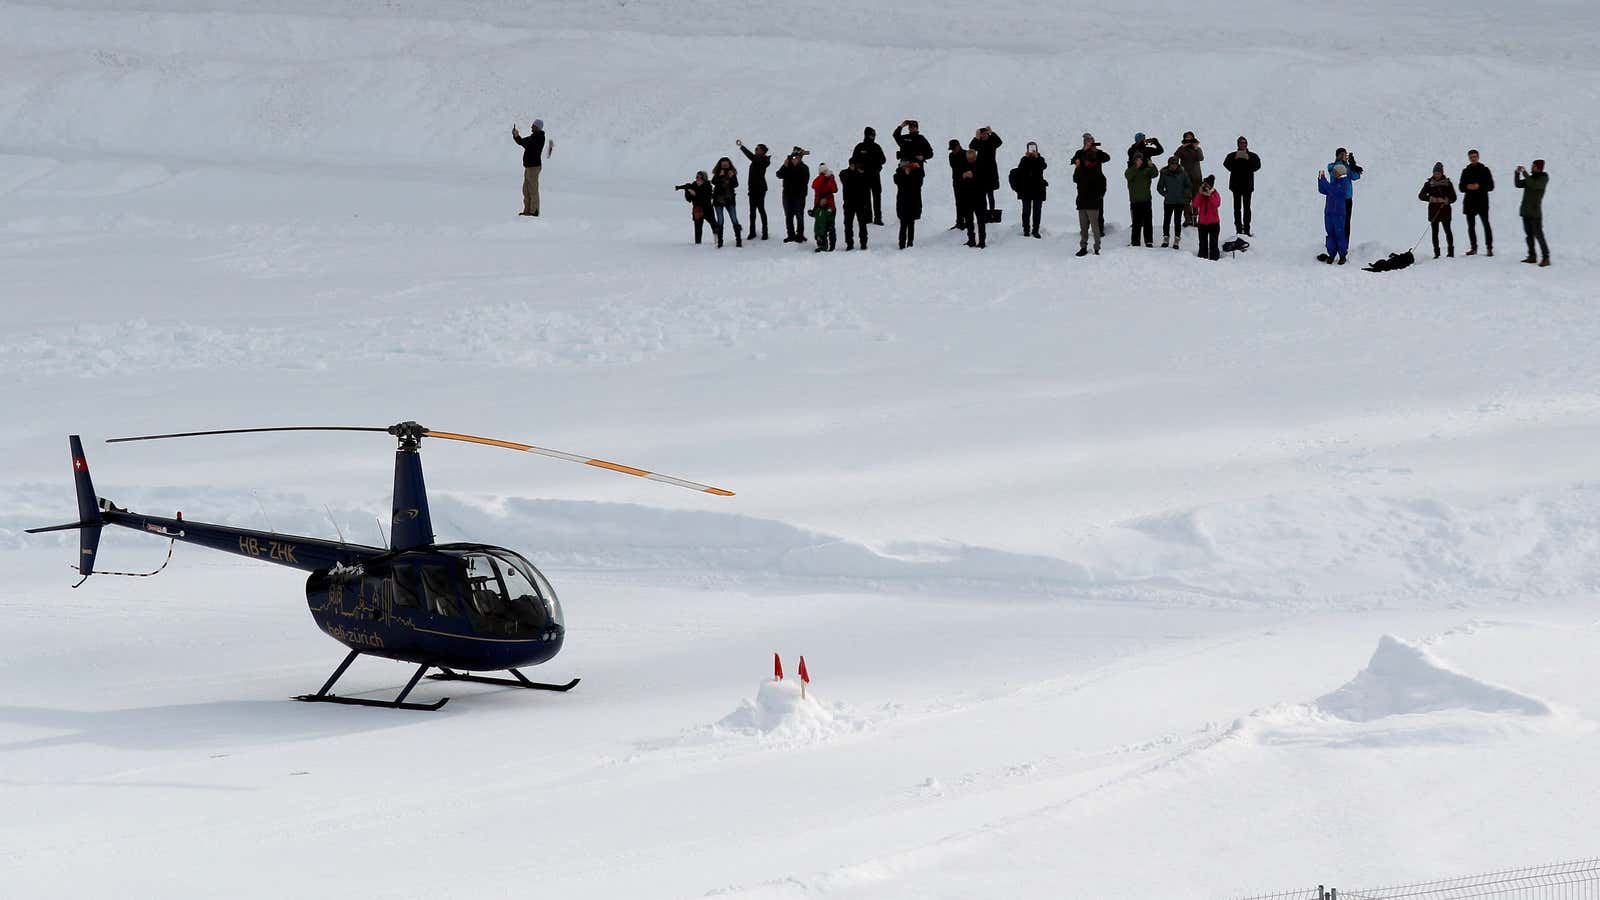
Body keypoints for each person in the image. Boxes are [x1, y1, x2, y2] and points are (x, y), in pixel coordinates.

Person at [1072, 136, 1109, 256]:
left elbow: (1107, 158)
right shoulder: (1080, 160)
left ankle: (1097, 247)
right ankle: (1083, 247)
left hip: (1093, 201)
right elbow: (1075, 177)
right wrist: (1078, 165)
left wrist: (1099, 197)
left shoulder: (1097, 170)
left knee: (1095, 227)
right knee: (1083, 228)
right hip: (1082, 201)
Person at [511, 119, 554, 216]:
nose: (531, 127)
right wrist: (516, 135)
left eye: (533, 126)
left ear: (538, 127)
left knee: (533, 189)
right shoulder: (533, 136)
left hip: (534, 167)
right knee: (526, 190)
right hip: (528, 167)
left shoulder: (539, 138)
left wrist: (519, 138)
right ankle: (527, 210)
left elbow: (528, 145)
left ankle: (534, 211)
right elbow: (522, 142)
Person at [1221, 136, 1261, 236]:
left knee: (1247, 209)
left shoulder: (1252, 155)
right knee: (1237, 209)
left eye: (1244, 143)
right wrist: (1235, 158)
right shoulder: (1232, 155)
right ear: (1238, 144)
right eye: (1241, 143)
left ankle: (1247, 230)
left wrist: (1248, 159)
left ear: (1247, 144)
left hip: (1247, 186)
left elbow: (1257, 166)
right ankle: (1238, 229)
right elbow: (1227, 165)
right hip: (1236, 186)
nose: (1243, 144)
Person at [1458, 149, 1494, 256]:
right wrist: (1467, 186)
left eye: (1474, 156)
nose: (1473, 158)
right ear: (1469, 158)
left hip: (1482, 202)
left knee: (1486, 225)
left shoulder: (1485, 170)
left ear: (1478, 157)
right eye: (1471, 157)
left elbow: (1491, 186)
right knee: (1471, 226)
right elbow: (1461, 187)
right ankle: (1473, 248)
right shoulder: (1466, 171)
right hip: (1469, 202)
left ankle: (1489, 248)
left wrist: (1479, 186)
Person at [1514, 159, 1550, 266]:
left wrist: (1524, 173)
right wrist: (1516, 174)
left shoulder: (1543, 179)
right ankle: (1532, 256)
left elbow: (1534, 185)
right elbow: (1518, 184)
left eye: (1534, 166)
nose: (1531, 167)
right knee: (1528, 236)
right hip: (1525, 211)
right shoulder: (1531, 178)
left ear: (1539, 168)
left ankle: (1546, 257)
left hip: (1535, 213)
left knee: (1539, 235)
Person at [1418, 162, 1457, 258]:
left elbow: (1454, 197)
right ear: (1433, 173)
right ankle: (1437, 254)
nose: (1437, 174)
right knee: (1435, 233)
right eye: (1435, 172)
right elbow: (1421, 196)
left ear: (1442, 173)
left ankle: (1451, 253)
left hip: (1445, 211)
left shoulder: (1448, 183)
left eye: (1439, 173)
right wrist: (1431, 199)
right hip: (1433, 211)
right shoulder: (1428, 184)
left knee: (1448, 231)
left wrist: (1445, 200)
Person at [851, 127, 888, 225]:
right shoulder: (860, 147)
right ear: (866, 135)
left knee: (876, 197)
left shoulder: (876, 147)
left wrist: (874, 163)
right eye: (871, 135)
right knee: (866, 197)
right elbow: (852, 160)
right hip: (864, 176)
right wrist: (856, 167)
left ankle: (877, 218)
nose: (872, 137)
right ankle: (869, 217)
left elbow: (883, 160)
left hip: (874, 175)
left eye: (873, 135)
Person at [737, 139, 771, 241]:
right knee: (752, 212)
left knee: (761, 210)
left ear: (762, 151)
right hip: (752, 189)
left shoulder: (763, 160)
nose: (755, 150)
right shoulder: (757, 159)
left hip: (760, 189)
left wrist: (742, 147)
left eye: (757, 149)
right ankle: (752, 232)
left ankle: (765, 232)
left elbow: (752, 157)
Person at [1012, 142, 1048, 238]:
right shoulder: (1024, 159)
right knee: (1026, 210)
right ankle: (1026, 229)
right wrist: (1027, 158)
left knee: (1037, 211)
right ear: (1027, 149)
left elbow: (1043, 166)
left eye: (1033, 148)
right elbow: (1020, 170)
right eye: (1030, 148)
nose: (1032, 150)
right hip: (1026, 189)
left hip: (1038, 189)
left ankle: (1036, 230)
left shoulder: (1040, 159)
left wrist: (1037, 157)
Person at [1327, 148, 1363, 241]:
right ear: (1338, 155)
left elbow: (1355, 176)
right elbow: (1336, 172)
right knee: (1338, 222)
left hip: (1347, 199)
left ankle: (1344, 245)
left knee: (1346, 222)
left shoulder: (1346, 166)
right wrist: (1342, 162)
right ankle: (1336, 244)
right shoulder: (1334, 166)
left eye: (1345, 154)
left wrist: (1353, 165)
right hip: (1338, 199)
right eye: (1342, 154)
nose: (1345, 156)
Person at [1156, 155, 1192, 250]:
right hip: (1168, 201)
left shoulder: (1183, 173)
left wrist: (1184, 193)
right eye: (1172, 164)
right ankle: (1166, 238)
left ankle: (1177, 239)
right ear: (1169, 164)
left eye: (1175, 164)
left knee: (1177, 221)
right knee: (1166, 220)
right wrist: (1165, 194)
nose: (1174, 166)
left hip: (1180, 201)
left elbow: (1188, 185)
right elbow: (1159, 187)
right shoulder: (1164, 173)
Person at [775, 149, 811, 243]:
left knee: (799, 216)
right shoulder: (787, 167)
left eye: (796, 157)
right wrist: (784, 166)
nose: (794, 159)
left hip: (799, 196)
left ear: (800, 158)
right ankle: (790, 235)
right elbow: (779, 175)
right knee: (788, 216)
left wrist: (796, 167)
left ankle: (800, 235)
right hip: (787, 195)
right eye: (793, 157)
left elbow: (804, 181)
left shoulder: (804, 168)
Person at [1317, 165, 1350, 265]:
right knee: (1330, 235)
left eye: (1335, 171)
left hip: (1339, 214)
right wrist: (1320, 179)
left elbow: (1332, 190)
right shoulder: (1334, 182)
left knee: (1339, 235)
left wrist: (1323, 179)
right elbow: (1323, 190)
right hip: (1329, 213)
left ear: (1340, 173)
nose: (1333, 173)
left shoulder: (1344, 183)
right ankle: (1331, 254)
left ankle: (1342, 256)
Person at [673, 171, 717, 245]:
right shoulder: (693, 185)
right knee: (698, 228)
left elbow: (706, 197)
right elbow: (689, 199)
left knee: (714, 225)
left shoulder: (708, 186)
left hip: (707, 209)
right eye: (697, 177)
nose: (698, 179)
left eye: (701, 177)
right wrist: (687, 191)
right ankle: (697, 244)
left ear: (705, 178)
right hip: (697, 210)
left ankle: (717, 241)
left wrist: (695, 194)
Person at [969, 126, 1004, 213]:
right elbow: (971, 147)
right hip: (981, 171)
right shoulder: (979, 143)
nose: (984, 135)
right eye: (982, 134)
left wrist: (992, 133)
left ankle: (992, 212)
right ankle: (983, 212)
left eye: (985, 134)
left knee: (991, 194)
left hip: (991, 171)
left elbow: (999, 142)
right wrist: (976, 137)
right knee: (982, 195)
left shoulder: (992, 142)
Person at [957, 149, 987, 248]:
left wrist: (974, 175)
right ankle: (971, 240)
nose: (970, 160)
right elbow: (959, 180)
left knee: (981, 221)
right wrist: (963, 176)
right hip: (967, 198)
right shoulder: (963, 165)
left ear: (976, 157)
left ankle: (982, 241)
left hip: (979, 198)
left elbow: (985, 179)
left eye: (972, 158)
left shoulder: (982, 164)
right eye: (969, 158)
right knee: (969, 221)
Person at [1125, 152, 1157, 247]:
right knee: (1136, 223)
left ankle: (1149, 241)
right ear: (1134, 160)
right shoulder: (1130, 170)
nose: (1139, 161)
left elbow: (1155, 174)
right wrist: (1136, 168)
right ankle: (1135, 242)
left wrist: (1152, 165)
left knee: (1148, 222)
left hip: (1146, 200)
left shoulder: (1147, 170)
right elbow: (1128, 176)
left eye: (1140, 159)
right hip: (1135, 201)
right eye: (1137, 159)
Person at [710, 157, 743, 249]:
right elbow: (713, 182)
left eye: (726, 163)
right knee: (720, 220)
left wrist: (732, 176)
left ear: (729, 164)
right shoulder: (718, 172)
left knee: (734, 219)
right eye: (723, 163)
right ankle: (720, 242)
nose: (724, 165)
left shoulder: (731, 172)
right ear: (720, 164)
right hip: (718, 199)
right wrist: (720, 176)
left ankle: (738, 240)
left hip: (729, 199)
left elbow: (735, 184)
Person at [839, 160, 872, 250]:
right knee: (848, 225)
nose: (853, 166)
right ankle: (849, 243)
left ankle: (863, 243)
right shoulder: (845, 173)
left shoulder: (862, 174)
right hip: (849, 204)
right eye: (852, 165)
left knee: (862, 224)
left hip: (860, 204)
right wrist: (855, 173)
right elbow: (845, 179)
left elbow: (866, 186)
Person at [894, 159, 924, 249]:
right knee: (903, 224)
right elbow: (900, 182)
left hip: (913, 202)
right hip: (903, 203)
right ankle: (901, 244)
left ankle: (910, 243)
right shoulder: (898, 175)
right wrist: (906, 174)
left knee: (911, 224)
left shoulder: (916, 174)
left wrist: (918, 168)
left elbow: (919, 182)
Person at [1175, 131, 1204, 225]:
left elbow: (1201, 158)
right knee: (1186, 200)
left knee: (1196, 199)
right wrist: (1181, 148)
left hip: (1196, 178)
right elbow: (1175, 159)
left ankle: (1195, 218)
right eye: (1187, 138)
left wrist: (1196, 148)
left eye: (1190, 138)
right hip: (1185, 178)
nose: (1189, 140)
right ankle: (1188, 219)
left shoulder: (1197, 148)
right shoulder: (1181, 149)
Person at [1192, 174, 1222, 260]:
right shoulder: (1201, 194)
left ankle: (1215, 259)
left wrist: (1210, 195)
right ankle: (1202, 259)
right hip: (1202, 224)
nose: (1206, 187)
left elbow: (1216, 204)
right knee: (1202, 244)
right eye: (1204, 184)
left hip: (1214, 223)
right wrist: (1200, 194)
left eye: (1207, 185)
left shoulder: (1215, 193)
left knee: (1213, 244)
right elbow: (1195, 204)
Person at [811, 163, 839, 252]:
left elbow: (834, 189)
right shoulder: (819, 179)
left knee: (831, 226)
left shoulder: (830, 179)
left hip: (830, 207)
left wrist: (830, 177)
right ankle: (822, 245)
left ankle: (832, 245)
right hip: (819, 207)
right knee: (819, 227)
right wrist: (823, 176)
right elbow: (814, 185)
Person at [948, 139, 971, 229]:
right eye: (951, 149)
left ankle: (968, 221)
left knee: (967, 202)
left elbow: (968, 166)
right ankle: (959, 222)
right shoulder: (951, 156)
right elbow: (955, 166)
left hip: (967, 182)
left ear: (958, 146)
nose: (953, 150)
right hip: (957, 182)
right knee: (958, 202)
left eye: (954, 148)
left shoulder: (966, 154)